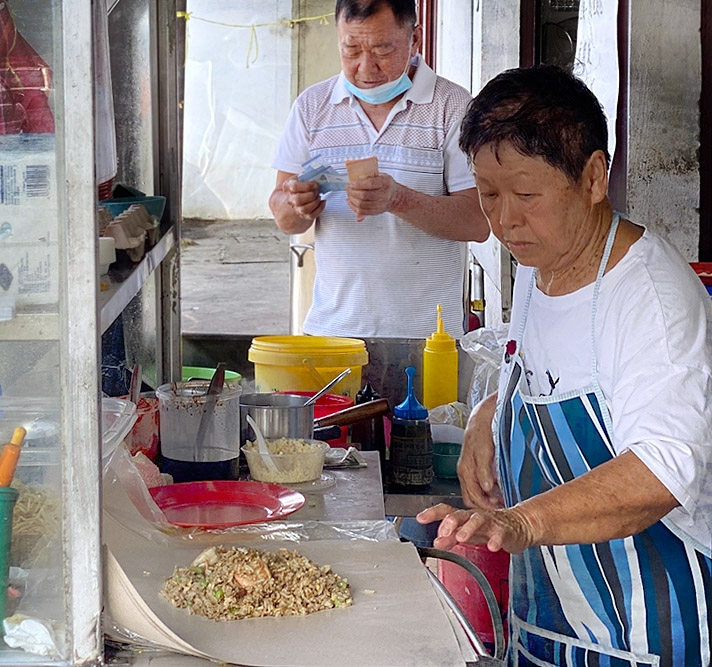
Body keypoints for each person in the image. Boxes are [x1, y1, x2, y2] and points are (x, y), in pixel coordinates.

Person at [417, 65, 712, 666]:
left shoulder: (649, 299)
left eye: (526, 195)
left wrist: (522, 524)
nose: (503, 220)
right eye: (487, 194)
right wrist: (487, 413)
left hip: (648, 638)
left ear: (594, 178)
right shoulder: (537, 267)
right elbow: (544, 372)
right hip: (549, 628)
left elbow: (661, 471)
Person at [269, 0, 488, 339]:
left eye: (382, 50)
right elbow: (284, 217)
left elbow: (478, 222)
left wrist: (398, 199)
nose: (365, 68)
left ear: (415, 39)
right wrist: (297, 205)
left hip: (429, 340)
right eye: (351, 49)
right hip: (332, 335)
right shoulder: (312, 107)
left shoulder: (453, 107)